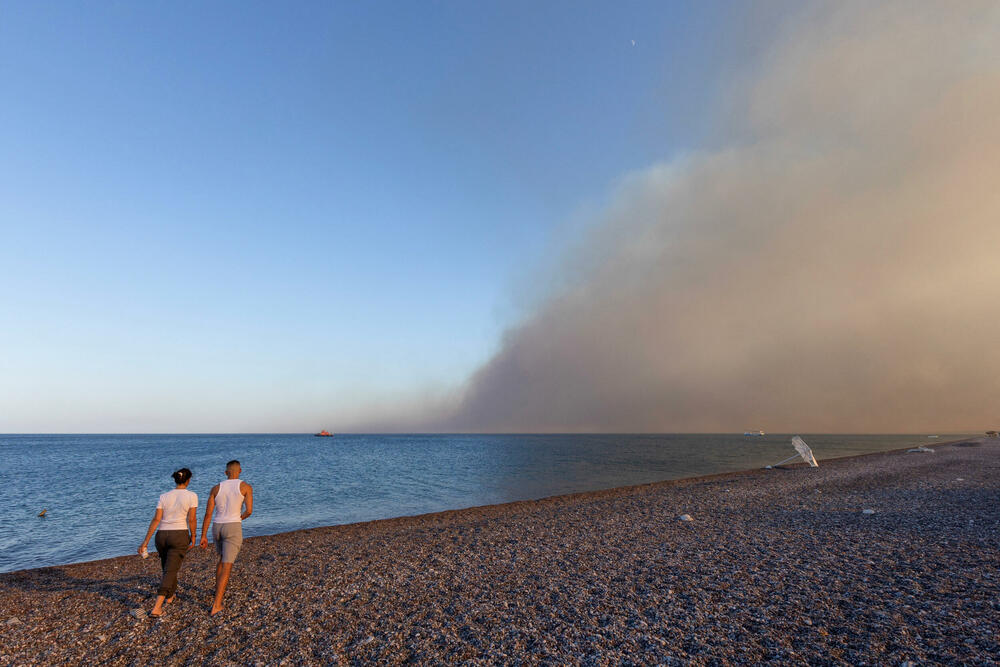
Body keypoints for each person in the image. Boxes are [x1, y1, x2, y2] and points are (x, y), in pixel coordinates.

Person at [138, 468, 197, 617]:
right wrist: (194, 535)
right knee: (170, 570)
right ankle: (157, 607)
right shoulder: (192, 496)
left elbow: (156, 519)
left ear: (175, 480)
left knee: (168, 568)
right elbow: (191, 519)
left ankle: (170, 596)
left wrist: (145, 541)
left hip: (162, 536)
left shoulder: (164, 496)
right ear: (188, 480)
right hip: (179, 534)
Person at [200, 459, 253, 616]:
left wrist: (203, 535)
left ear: (226, 472)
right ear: (240, 471)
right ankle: (216, 604)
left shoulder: (216, 488)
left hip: (217, 527)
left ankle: (218, 592)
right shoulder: (245, 487)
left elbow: (208, 513)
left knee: (222, 560)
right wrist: (239, 518)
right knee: (227, 565)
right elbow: (249, 510)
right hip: (233, 526)